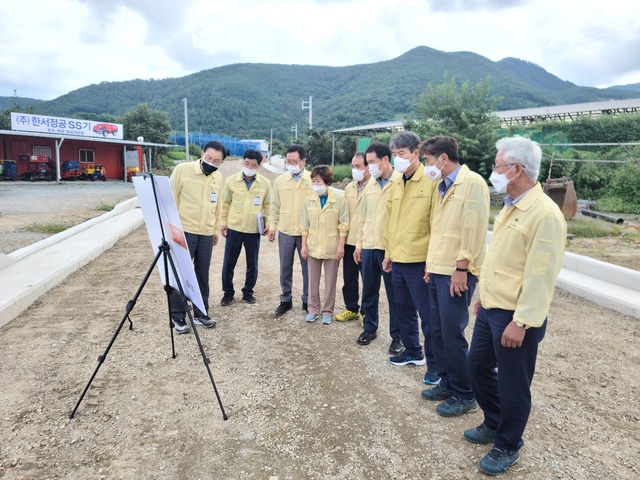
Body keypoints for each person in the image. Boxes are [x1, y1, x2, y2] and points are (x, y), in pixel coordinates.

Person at [464, 136, 566, 476]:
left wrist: (521, 323)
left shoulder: (544, 215)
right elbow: (502, 261)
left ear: (516, 169)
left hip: (516, 317)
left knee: (513, 383)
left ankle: (508, 443)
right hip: (491, 308)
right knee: (476, 366)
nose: (493, 172)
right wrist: (484, 296)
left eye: (497, 166)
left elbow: (541, 276)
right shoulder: (511, 204)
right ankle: (494, 421)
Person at [419, 135, 490, 418]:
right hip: (438, 268)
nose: (427, 166)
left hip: (455, 271)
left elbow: (472, 229)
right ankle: (448, 381)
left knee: (452, 332)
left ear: (443, 159)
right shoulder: (441, 185)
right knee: (437, 330)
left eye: (427, 160)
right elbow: (438, 229)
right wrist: (429, 263)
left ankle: (465, 393)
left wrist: (462, 269)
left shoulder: (472, 183)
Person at [383, 131, 439, 377]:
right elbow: (390, 221)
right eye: (394, 155)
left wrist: (432, 260)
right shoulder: (396, 180)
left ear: (416, 153)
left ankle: (437, 367)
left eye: (402, 154)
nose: (398, 159)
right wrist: (388, 252)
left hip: (420, 260)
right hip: (398, 257)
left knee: (428, 315)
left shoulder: (430, 181)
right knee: (403, 307)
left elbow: (436, 223)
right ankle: (413, 351)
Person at [168, 141, 225, 333]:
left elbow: (217, 207)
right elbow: (170, 199)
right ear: (202, 154)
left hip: (206, 233)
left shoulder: (218, 178)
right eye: (209, 158)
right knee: (181, 273)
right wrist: (171, 229)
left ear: (222, 162)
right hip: (184, 230)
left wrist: (215, 230)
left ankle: (201, 313)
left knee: (202, 273)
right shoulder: (183, 170)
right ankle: (178, 317)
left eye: (217, 160)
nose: (212, 162)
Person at [355, 142, 404, 355]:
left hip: (389, 249)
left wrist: (394, 251)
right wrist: (359, 245)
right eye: (368, 163)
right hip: (369, 247)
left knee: (395, 295)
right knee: (369, 290)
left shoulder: (400, 182)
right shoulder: (371, 185)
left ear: (385, 160)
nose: (370, 166)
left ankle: (398, 336)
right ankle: (370, 328)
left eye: (373, 162)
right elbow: (362, 218)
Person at [219, 149, 271, 306]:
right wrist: (223, 222)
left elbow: (268, 205)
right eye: (247, 163)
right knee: (229, 262)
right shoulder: (231, 180)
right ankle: (228, 293)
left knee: (252, 263)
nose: (249, 166)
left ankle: (248, 292)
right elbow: (225, 203)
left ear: (258, 166)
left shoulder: (264, 183)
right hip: (234, 227)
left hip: (253, 230)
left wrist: (267, 224)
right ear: (243, 162)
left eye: (253, 164)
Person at [268, 145, 314, 316]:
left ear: (303, 161)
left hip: (306, 233)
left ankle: (307, 300)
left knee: (308, 269)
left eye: (294, 161)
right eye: (288, 161)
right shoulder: (281, 181)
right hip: (286, 230)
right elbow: (274, 206)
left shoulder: (312, 180)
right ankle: (285, 300)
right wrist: (272, 227)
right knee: (285, 268)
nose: (291, 164)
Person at [300, 165, 349, 324]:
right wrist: (303, 246)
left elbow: (343, 225)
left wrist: (341, 246)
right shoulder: (309, 200)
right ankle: (313, 309)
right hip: (313, 245)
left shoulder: (339, 200)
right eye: (313, 181)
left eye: (318, 181)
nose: (315, 184)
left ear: (327, 181)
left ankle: (327, 311)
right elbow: (304, 226)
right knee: (312, 280)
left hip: (332, 246)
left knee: (330, 281)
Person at [335, 152, 370, 323]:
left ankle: (366, 312)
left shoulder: (375, 187)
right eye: (353, 166)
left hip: (366, 242)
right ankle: (351, 308)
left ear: (368, 167)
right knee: (349, 277)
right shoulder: (349, 188)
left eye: (358, 166)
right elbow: (344, 216)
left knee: (368, 280)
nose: (354, 169)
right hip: (350, 241)